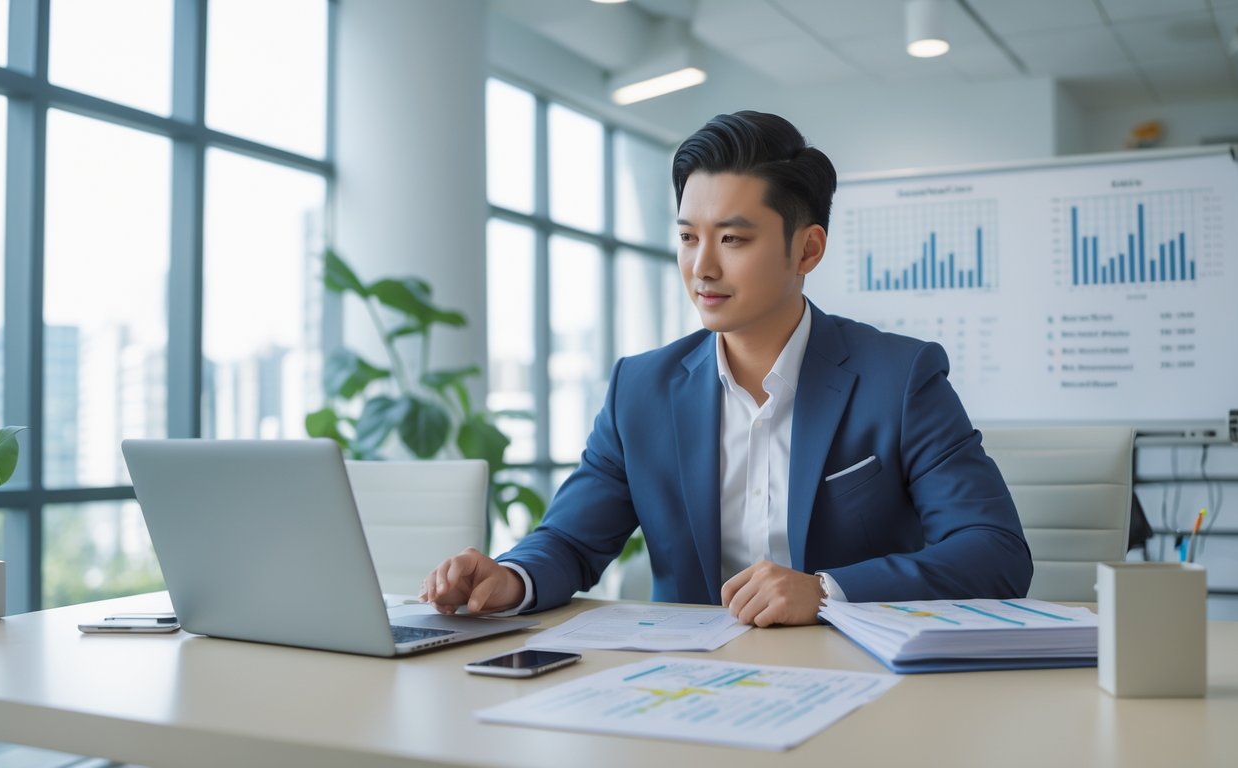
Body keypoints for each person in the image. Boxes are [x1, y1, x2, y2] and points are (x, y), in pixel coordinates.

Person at [420, 110, 1032, 627]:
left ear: (807, 248)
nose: (702, 268)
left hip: (857, 671)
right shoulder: (642, 389)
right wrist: (512, 577)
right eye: (689, 238)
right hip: (688, 686)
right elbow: (572, 541)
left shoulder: (899, 378)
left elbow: (995, 552)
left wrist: (826, 591)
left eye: (733, 240)